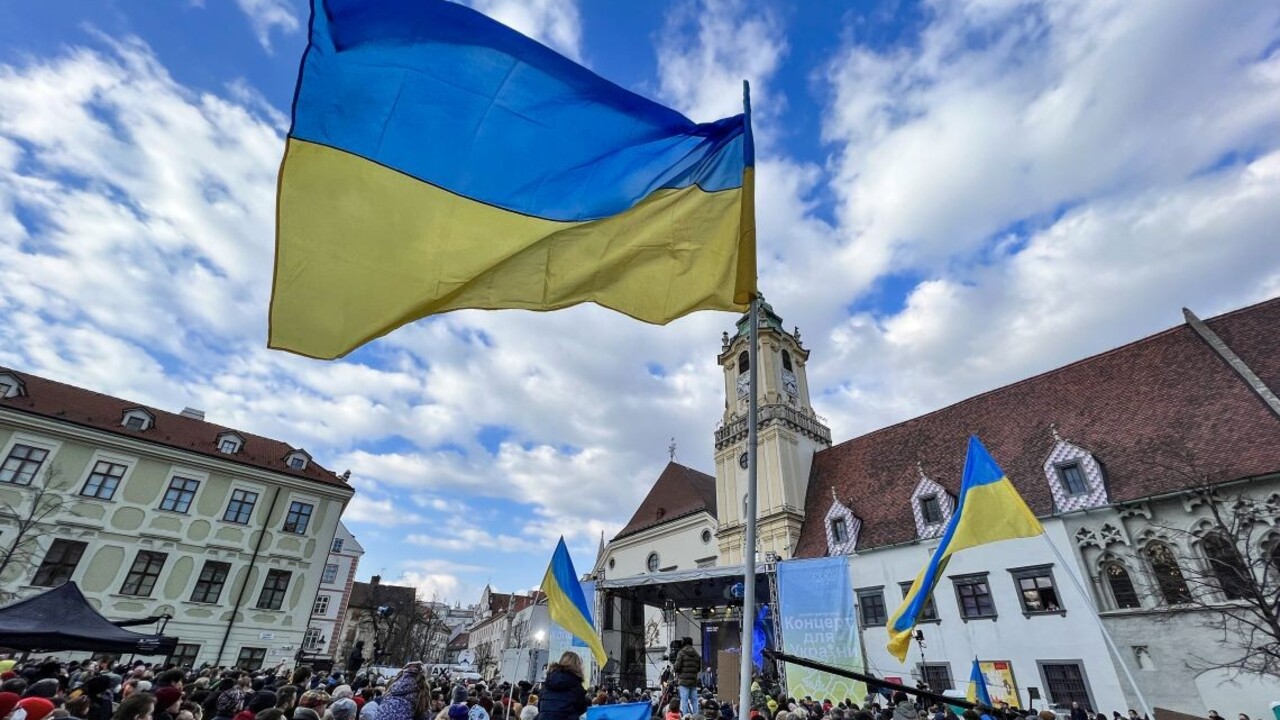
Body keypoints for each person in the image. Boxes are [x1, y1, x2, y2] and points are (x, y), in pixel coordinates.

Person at [537, 654, 589, 720]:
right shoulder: (576, 686)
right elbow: (582, 709)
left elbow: (540, 707)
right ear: (578, 666)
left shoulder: (546, 685)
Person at [673, 639, 701, 718]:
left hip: (684, 681)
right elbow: (698, 669)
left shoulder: (681, 653)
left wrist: (675, 668)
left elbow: (677, 667)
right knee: (694, 701)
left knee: (684, 700)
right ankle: (696, 717)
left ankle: (685, 717)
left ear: (684, 643)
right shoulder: (696, 654)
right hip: (693, 681)